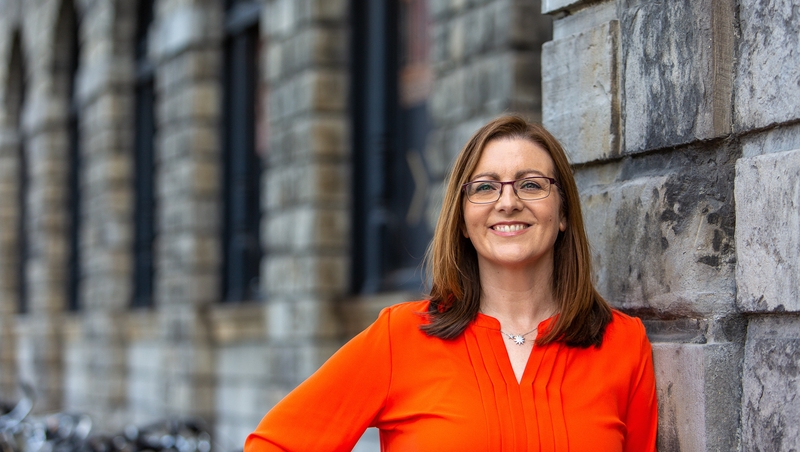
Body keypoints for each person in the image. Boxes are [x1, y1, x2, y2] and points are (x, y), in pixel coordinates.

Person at [245, 115, 658, 451]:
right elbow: (275, 444)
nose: (508, 201)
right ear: (462, 220)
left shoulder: (623, 344)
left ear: (564, 212)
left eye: (531, 184)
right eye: (485, 187)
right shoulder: (401, 337)